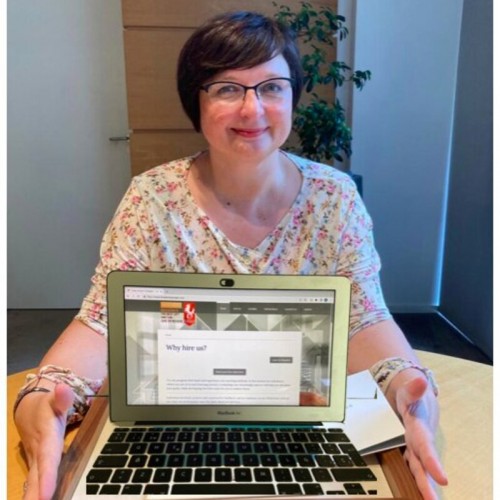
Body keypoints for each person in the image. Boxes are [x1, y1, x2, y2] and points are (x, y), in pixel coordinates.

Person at [14, 10, 448, 500]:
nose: (252, 109)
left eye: (272, 88)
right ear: (195, 102)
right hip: (175, 430)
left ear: (293, 97)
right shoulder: (152, 198)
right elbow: (100, 321)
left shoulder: (334, 198)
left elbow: (365, 317)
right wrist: (42, 401)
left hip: (302, 430)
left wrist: (406, 388)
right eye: (226, 89)